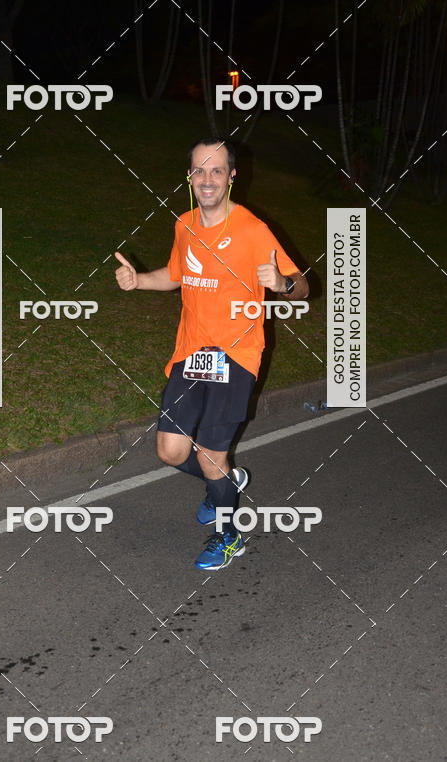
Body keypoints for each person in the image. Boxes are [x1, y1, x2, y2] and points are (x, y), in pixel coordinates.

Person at [114, 138, 309, 570]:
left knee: (209, 454)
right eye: (199, 170)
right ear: (189, 177)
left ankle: (228, 536)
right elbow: (177, 274)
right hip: (190, 354)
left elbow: (302, 287)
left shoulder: (253, 230)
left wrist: (282, 284)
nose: (207, 179)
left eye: (217, 170)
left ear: (231, 177)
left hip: (236, 356)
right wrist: (139, 281)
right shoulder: (184, 225)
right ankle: (224, 480)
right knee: (170, 452)